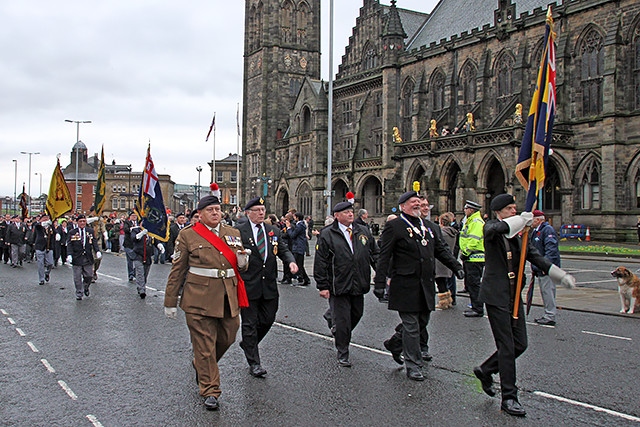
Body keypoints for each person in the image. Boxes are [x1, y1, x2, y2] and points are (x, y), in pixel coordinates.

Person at [474, 194, 575, 417]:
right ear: (499, 211)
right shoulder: (491, 228)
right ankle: (509, 397)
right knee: (507, 346)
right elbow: (496, 229)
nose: (514, 211)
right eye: (510, 208)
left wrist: (559, 274)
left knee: (520, 344)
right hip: (496, 296)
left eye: (515, 208)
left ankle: (486, 369)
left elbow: (537, 257)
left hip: (513, 296)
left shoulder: (520, 237)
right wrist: (521, 219)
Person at [163, 194, 250, 411]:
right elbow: (177, 270)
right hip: (198, 299)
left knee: (228, 336)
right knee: (204, 345)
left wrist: (243, 263)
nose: (215, 213)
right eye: (210, 210)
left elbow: (238, 266)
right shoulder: (188, 236)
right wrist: (170, 301)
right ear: (199, 214)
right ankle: (210, 390)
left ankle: (201, 366)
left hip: (226, 298)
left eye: (218, 209)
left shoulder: (233, 233)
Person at [374, 191, 463, 381]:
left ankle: (395, 344)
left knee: (421, 323)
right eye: (412, 202)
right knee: (412, 325)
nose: (416, 205)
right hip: (405, 284)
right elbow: (384, 256)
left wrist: (456, 267)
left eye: (419, 202)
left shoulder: (429, 227)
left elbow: (441, 250)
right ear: (403, 206)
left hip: (426, 284)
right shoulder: (395, 226)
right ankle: (413, 364)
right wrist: (380, 283)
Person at [236, 197, 297, 377]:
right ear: (248, 213)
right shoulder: (239, 231)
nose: (261, 213)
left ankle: (248, 343)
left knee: (268, 319)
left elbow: (283, 249)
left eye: (263, 209)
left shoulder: (272, 230)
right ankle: (254, 362)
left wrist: (291, 262)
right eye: (257, 210)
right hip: (248, 285)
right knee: (249, 323)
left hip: (269, 285)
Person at [314, 201, 378, 367]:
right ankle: (343, 351)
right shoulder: (327, 234)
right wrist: (322, 285)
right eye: (346, 212)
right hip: (338, 284)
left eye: (351, 212)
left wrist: (382, 272)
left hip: (359, 282)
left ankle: (332, 321)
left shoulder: (362, 231)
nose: (350, 214)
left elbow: (374, 253)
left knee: (356, 314)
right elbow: (321, 261)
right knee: (343, 320)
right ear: (337, 216)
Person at [529, 209, 561, 326]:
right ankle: (548, 314)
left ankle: (550, 316)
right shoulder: (535, 231)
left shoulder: (547, 230)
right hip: (540, 268)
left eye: (532, 220)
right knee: (545, 291)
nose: (530, 222)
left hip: (547, 269)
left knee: (548, 292)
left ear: (538, 220)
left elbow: (551, 250)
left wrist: (545, 265)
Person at [459, 200, 486, 317]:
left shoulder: (476, 222)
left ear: (471, 210)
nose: (464, 211)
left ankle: (478, 308)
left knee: (474, 284)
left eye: (466, 208)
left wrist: (466, 252)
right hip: (471, 257)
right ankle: (475, 305)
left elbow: (474, 240)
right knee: (471, 283)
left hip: (475, 257)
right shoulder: (471, 221)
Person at [67, 215, 101, 300]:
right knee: (77, 277)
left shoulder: (90, 231)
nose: (82, 223)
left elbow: (94, 242)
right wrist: (69, 255)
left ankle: (85, 287)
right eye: (80, 221)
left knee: (89, 275)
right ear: (77, 222)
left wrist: (97, 251)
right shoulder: (72, 232)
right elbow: (70, 244)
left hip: (87, 257)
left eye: (84, 221)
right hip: (77, 257)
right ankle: (79, 292)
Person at [130, 225, 163, 299]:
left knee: (145, 273)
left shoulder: (151, 231)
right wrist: (141, 233)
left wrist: (159, 244)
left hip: (148, 255)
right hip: (138, 255)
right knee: (140, 273)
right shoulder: (135, 230)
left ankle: (141, 286)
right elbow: (134, 238)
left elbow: (155, 239)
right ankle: (142, 290)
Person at [435, 213, 458, 309]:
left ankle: (443, 303)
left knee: (440, 282)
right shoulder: (453, 232)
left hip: (440, 261)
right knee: (446, 281)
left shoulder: (442, 233)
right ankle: (449, 300)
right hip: (449, 259)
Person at [286, 212, 310, 286]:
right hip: (298, 246)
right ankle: (305, 279)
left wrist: (289, 228)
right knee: (299, 263)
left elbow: (292, 235)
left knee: (299, 264)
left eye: (294, 217)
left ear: (297, 217)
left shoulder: (300, 225)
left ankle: (303, 279)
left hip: (298, 246)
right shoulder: (300, 224)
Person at [33, 214, 55, 286]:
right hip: (40, 246)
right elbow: (36, 226)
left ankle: (47, 273)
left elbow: (54, 232)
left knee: (50, 263)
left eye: (47, 218)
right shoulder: (38, 226)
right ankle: (41, 279)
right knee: (40, 263)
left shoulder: (50, 226)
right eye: (44, 218)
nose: (46, 220)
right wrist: (42, 223)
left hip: (49, 247)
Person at [122, 211, 138, 281]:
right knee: (130, 260)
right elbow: (125, 229)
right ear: (130, 216)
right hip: (128, 244)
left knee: (137, 260)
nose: (134, 216)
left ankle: (135, 273)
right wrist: (131, 229)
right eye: (133, 215)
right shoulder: (127, 222)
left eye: (135, 215)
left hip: (137, 245)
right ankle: (131, 274)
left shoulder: (139, 223)